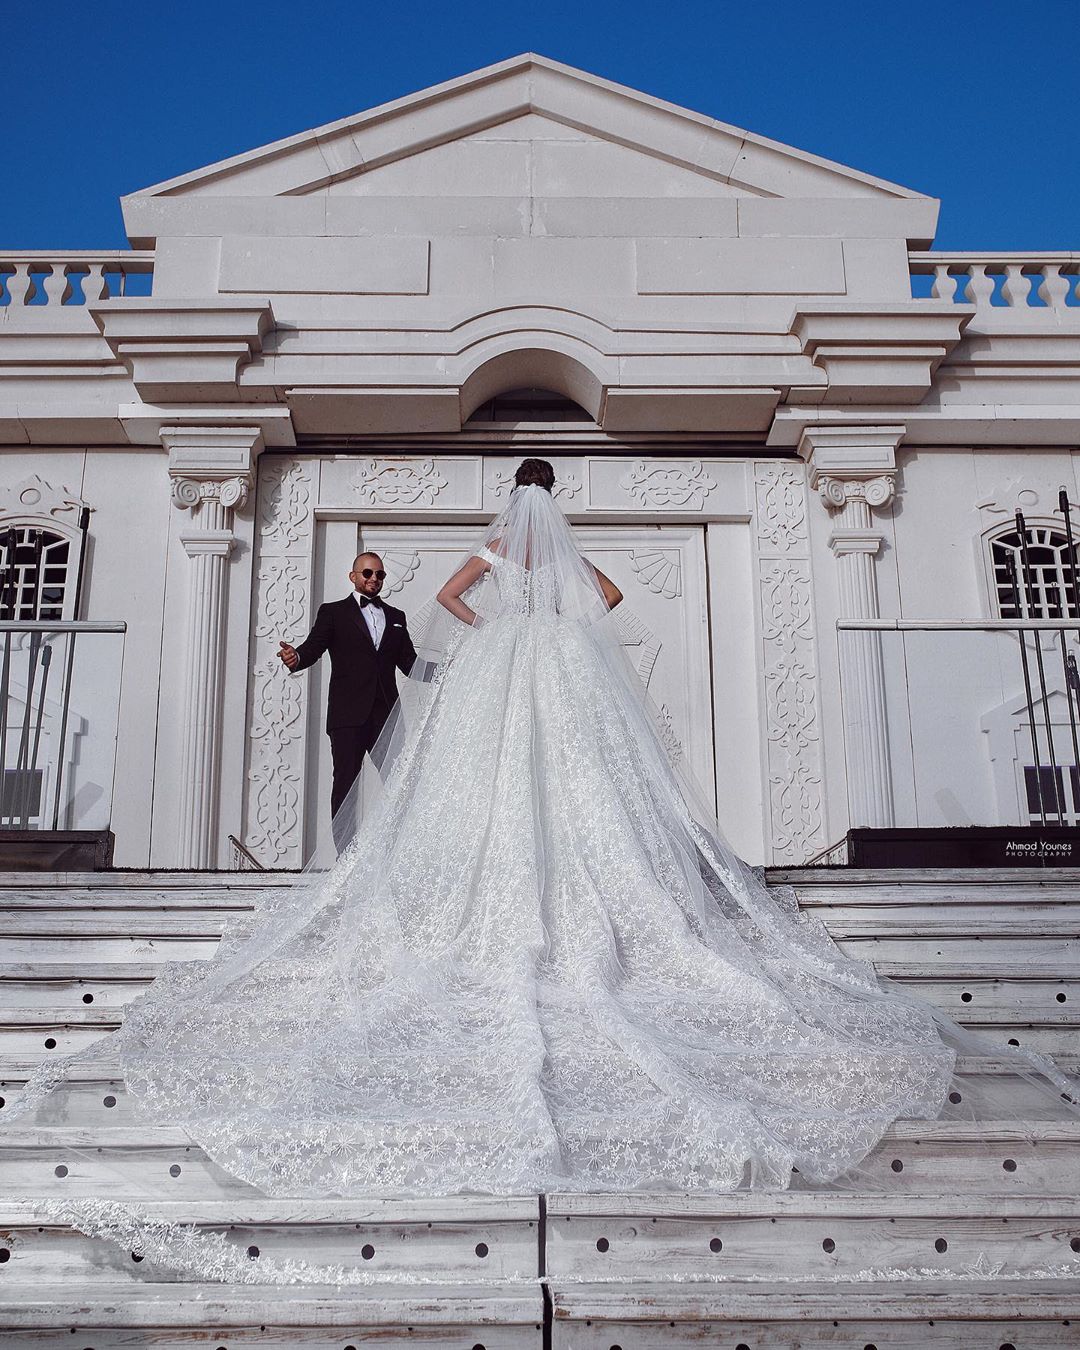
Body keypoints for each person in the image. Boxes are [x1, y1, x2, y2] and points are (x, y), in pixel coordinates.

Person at [9, 457, 1080, 1284]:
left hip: (505, 665)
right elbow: (607, 596)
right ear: (553, 498)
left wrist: (494, 618)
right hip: (563, 662)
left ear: (508, 501)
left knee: (480, 789)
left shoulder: (494, 552)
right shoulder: (565, 557)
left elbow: (459, 598)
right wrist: (556, 614)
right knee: (586, 784)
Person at [278, 551, 420, 851]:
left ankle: (401, 852)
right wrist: (296, 658)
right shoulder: (333, 612)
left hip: (387, 716)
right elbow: (313, 648)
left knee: (403, 783)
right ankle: (346, 858)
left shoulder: (396, 617)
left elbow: (409, 663)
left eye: (379, 574)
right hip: (347, 716)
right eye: (367, 573)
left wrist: (451, 668)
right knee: (346, 786)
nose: (374, 579)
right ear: (353, 576)